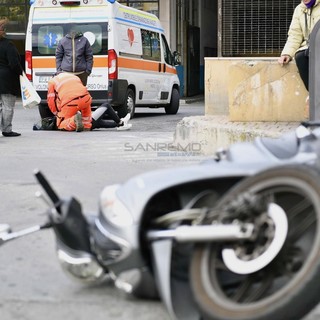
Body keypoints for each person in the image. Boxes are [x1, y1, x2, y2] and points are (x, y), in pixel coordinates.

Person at [46, 72, 131, 131]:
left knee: (60, 124)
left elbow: (51, 101)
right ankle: (121, 123)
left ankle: (73, 121)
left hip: (70, 103)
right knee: (91, 122)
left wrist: (56, 113)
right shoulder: (73, 77)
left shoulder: (52, 82)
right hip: (86, 99)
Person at [278, 0, 320, 91]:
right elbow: (295, 34)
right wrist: (287, 53)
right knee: (300, 57)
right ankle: (314, 94)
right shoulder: (299, 10)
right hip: (309, 47)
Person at [0, 18, 23, 137]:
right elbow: (14, 63)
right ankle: (6, 130)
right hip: (6, 80)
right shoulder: (8, 45)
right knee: (8, 105)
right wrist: (21, 73)